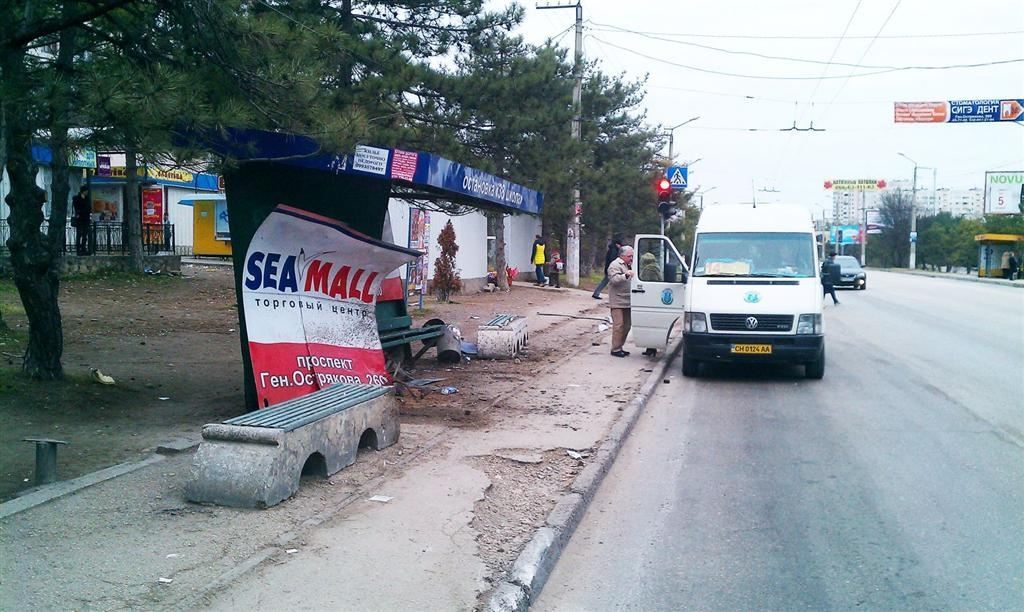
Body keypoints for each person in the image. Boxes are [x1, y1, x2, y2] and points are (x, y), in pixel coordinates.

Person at [607, 245, 634, 357]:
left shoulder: (630, 265)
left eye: (632, 256)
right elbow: (613, 280)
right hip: (617, 300)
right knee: (619, 325)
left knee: (627, 325)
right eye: (629, 256)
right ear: (622, 256)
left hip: (628, 300)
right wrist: (625, 275)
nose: (631, 258)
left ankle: (620, 346)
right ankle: (615, 349)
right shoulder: (615, 265)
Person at [592, 235, 624, 299]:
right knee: (606, 281)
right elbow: (612, 259)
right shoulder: (614, 250)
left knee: (607, 281)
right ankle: (596, 293)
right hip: (611, 268)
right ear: (617, 244)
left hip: (608, 268)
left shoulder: (612, 249)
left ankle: (596, 293)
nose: (620, 247)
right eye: (620, 245)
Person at [72, 185, 91, 255]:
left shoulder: (87, 198)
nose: (87, 192)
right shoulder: (76, 198)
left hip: (86, 219)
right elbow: (77, 208)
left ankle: (83, 249)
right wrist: (82, 211)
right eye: (86, 191)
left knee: (84, 235)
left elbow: (89, 208)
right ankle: (78, 250)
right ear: (82, 191)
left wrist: (84, 211)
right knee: (79, 234)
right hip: (79, 219)